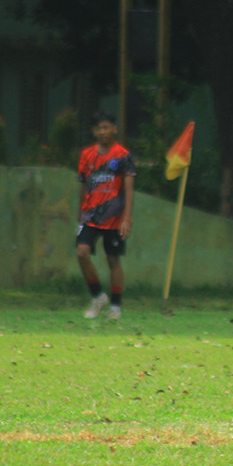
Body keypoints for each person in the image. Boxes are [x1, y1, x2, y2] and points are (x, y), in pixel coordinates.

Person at [76, 111, 136, 320]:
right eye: (99, 128)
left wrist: (127, 217)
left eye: (106, 127)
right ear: (94, 131)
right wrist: (80, 212)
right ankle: (98, 297)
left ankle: (116, 307)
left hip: (114, 217)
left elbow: (129, 189)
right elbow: (83, 185)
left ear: (114, 129)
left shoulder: (123, 156)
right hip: (90, 215)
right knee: (81, 253)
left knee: (113, 260)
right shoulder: (87, 155)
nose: (103, 132)